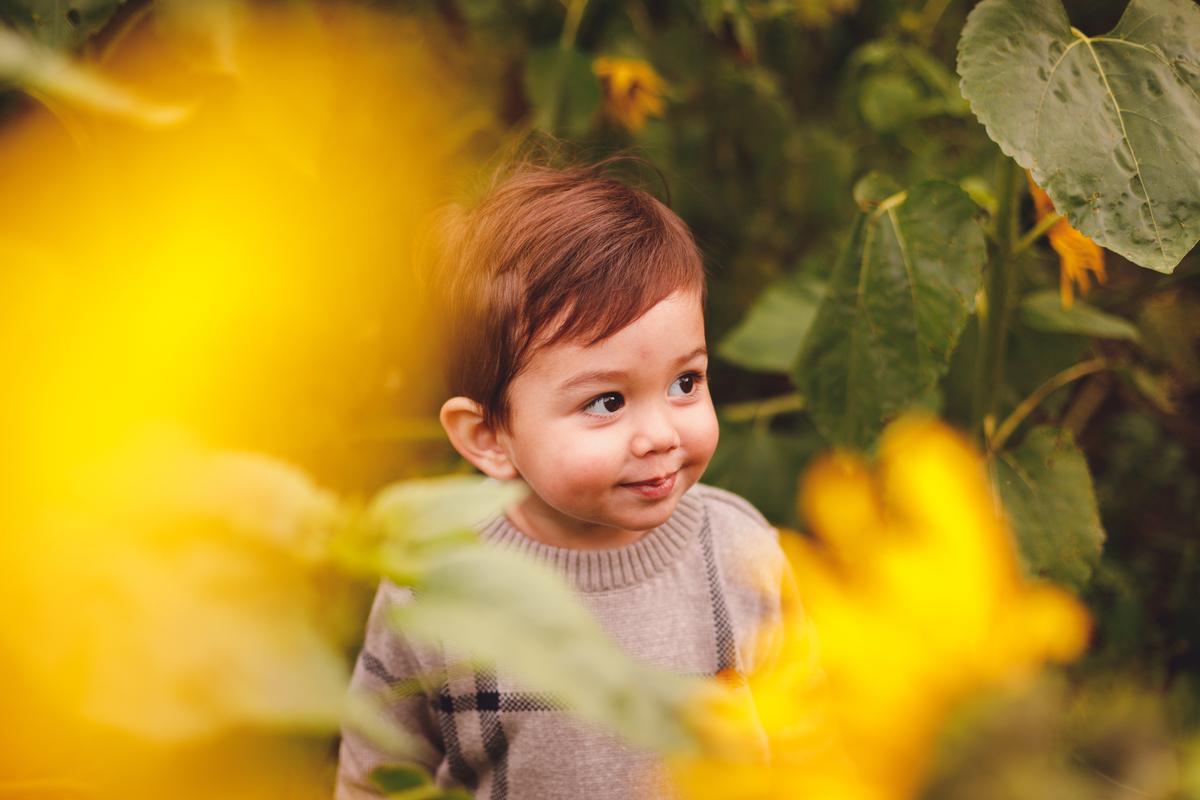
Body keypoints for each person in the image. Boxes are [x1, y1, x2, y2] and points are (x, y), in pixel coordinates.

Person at [336, 161, 787, 800]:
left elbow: (818, 747)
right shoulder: (437, 588)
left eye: (686, 382)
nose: (660, 434)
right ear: (488, 437)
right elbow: (375, 776)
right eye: (606, 401)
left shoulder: (743, 555)